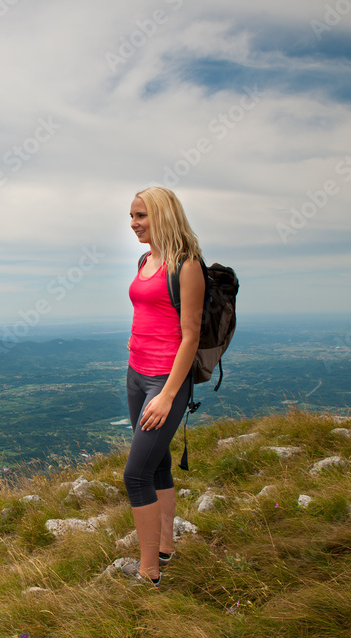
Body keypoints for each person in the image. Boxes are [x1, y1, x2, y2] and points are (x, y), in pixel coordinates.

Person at [124, 186, 205, 585]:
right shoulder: (146, 258)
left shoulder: (186, 265)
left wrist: (168, 395)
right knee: (156, 464)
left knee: (135, 474)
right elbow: (150, 309)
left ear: (163, 215)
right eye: (132, 217)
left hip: (163, 381)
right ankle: (165, 546)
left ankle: (148, 572)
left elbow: (190, 335)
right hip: (136, 373)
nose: (134, 224)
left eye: (142, 216)